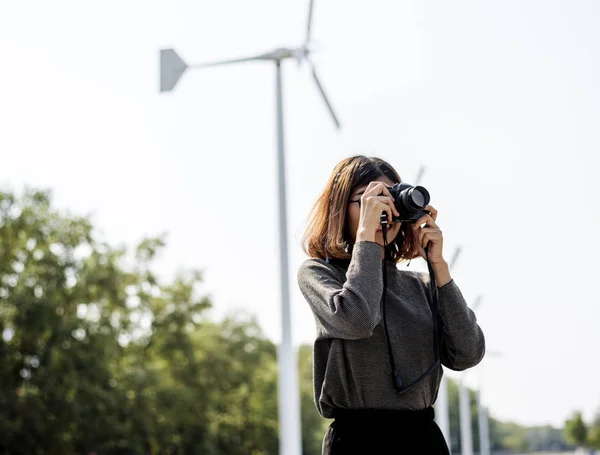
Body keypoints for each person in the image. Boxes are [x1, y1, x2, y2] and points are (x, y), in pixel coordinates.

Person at [297, 155, 486, 454]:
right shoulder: (319, 273)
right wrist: (367, 239)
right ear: (339, 210)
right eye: (368, 200)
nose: (383, 210)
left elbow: (468, 354)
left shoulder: (423, 286)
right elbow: (357, 319)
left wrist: (439, 267)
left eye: (390, 199)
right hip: (357, 440)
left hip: (423, 439)